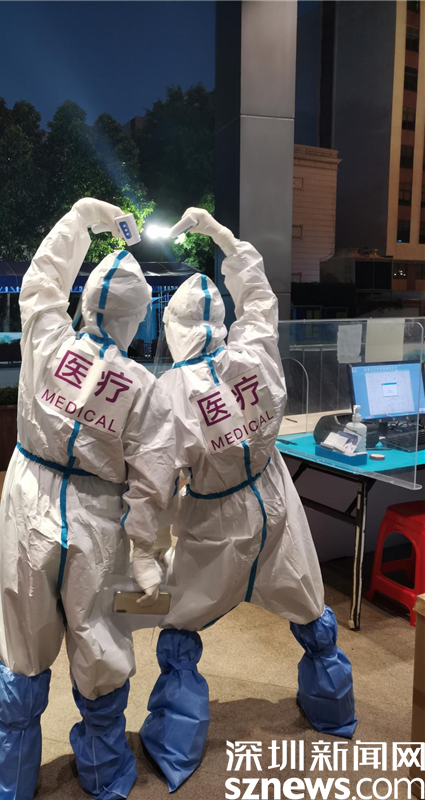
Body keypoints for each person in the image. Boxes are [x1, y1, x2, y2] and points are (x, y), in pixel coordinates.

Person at [139, 208, 357, 792]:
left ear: (173, 328)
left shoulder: (171, 390)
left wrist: (146, 551)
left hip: (216, 521)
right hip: (274, 500)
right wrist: (222, 237)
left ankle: (177, 745)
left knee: (180, 623)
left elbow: (155, 482)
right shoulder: (256, 350)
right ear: (221, 320)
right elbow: (259, 296)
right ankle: (334, 709)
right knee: (307, 603)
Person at [0, 198, 174, 800]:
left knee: (23, 639)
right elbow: (153, 479)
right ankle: (103, 773)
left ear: (86, 303)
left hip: (28, 501)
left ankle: (8, 782)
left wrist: (81, 220)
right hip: (99, 521)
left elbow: (41, 281)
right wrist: (147, 552)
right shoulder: (144, 388)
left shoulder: (45, 339)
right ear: (138, 318)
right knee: (100, 641)